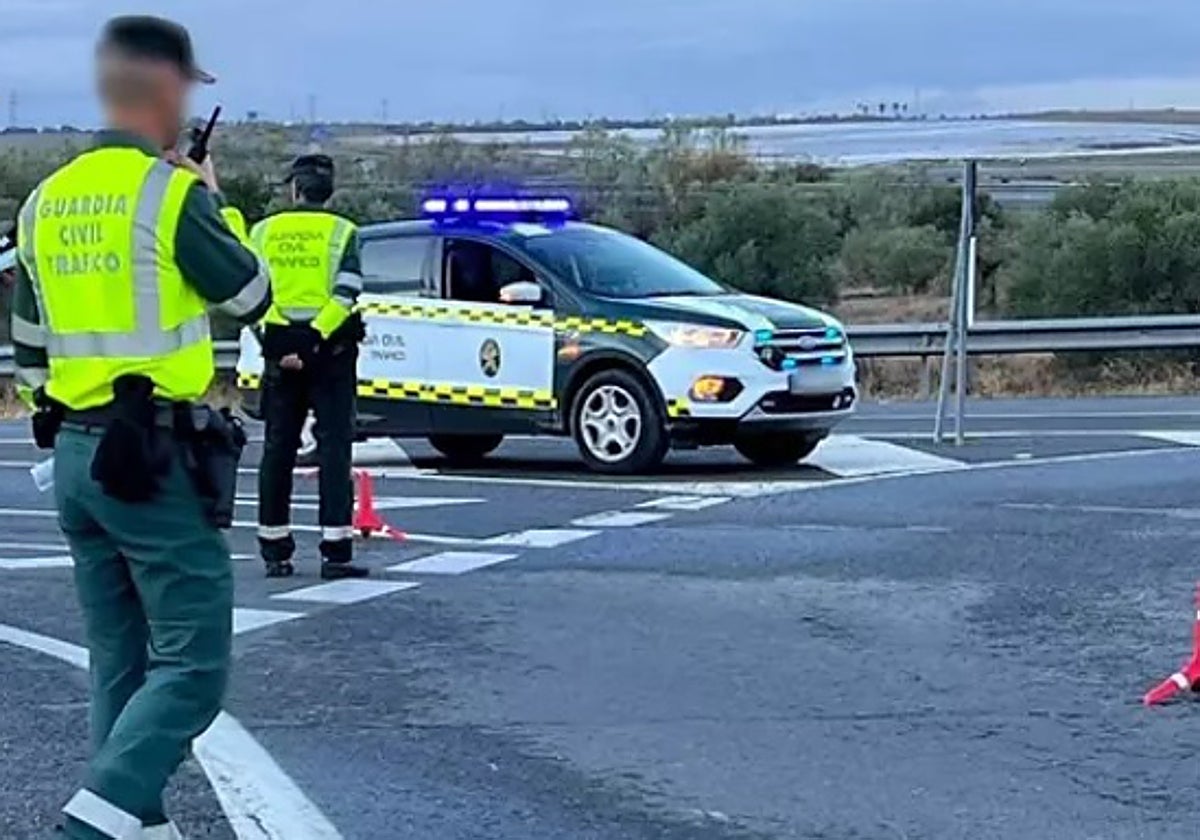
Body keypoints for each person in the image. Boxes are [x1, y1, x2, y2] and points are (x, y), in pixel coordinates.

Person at [10, 15, 271, 839]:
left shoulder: (44, 203)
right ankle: (90, 829)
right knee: (193, 667)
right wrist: (216, 200)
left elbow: (26, 351)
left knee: (119, 663)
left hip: (80, 455)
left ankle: (140, 822)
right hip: (156, 456)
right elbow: (250, 296)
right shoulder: (170, 194)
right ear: (163, 91)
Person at [252, 154, 368, 579]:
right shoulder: (344, 232)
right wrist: (314, 338)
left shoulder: (263, 232)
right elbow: (347, 293)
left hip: (280, 353)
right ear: (327, 192)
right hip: (331, 354)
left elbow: (252, 294)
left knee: (278, 449)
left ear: (294, 190)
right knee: (335, 449)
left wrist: (277, 343)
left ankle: (274, 551)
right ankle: (336, 552)